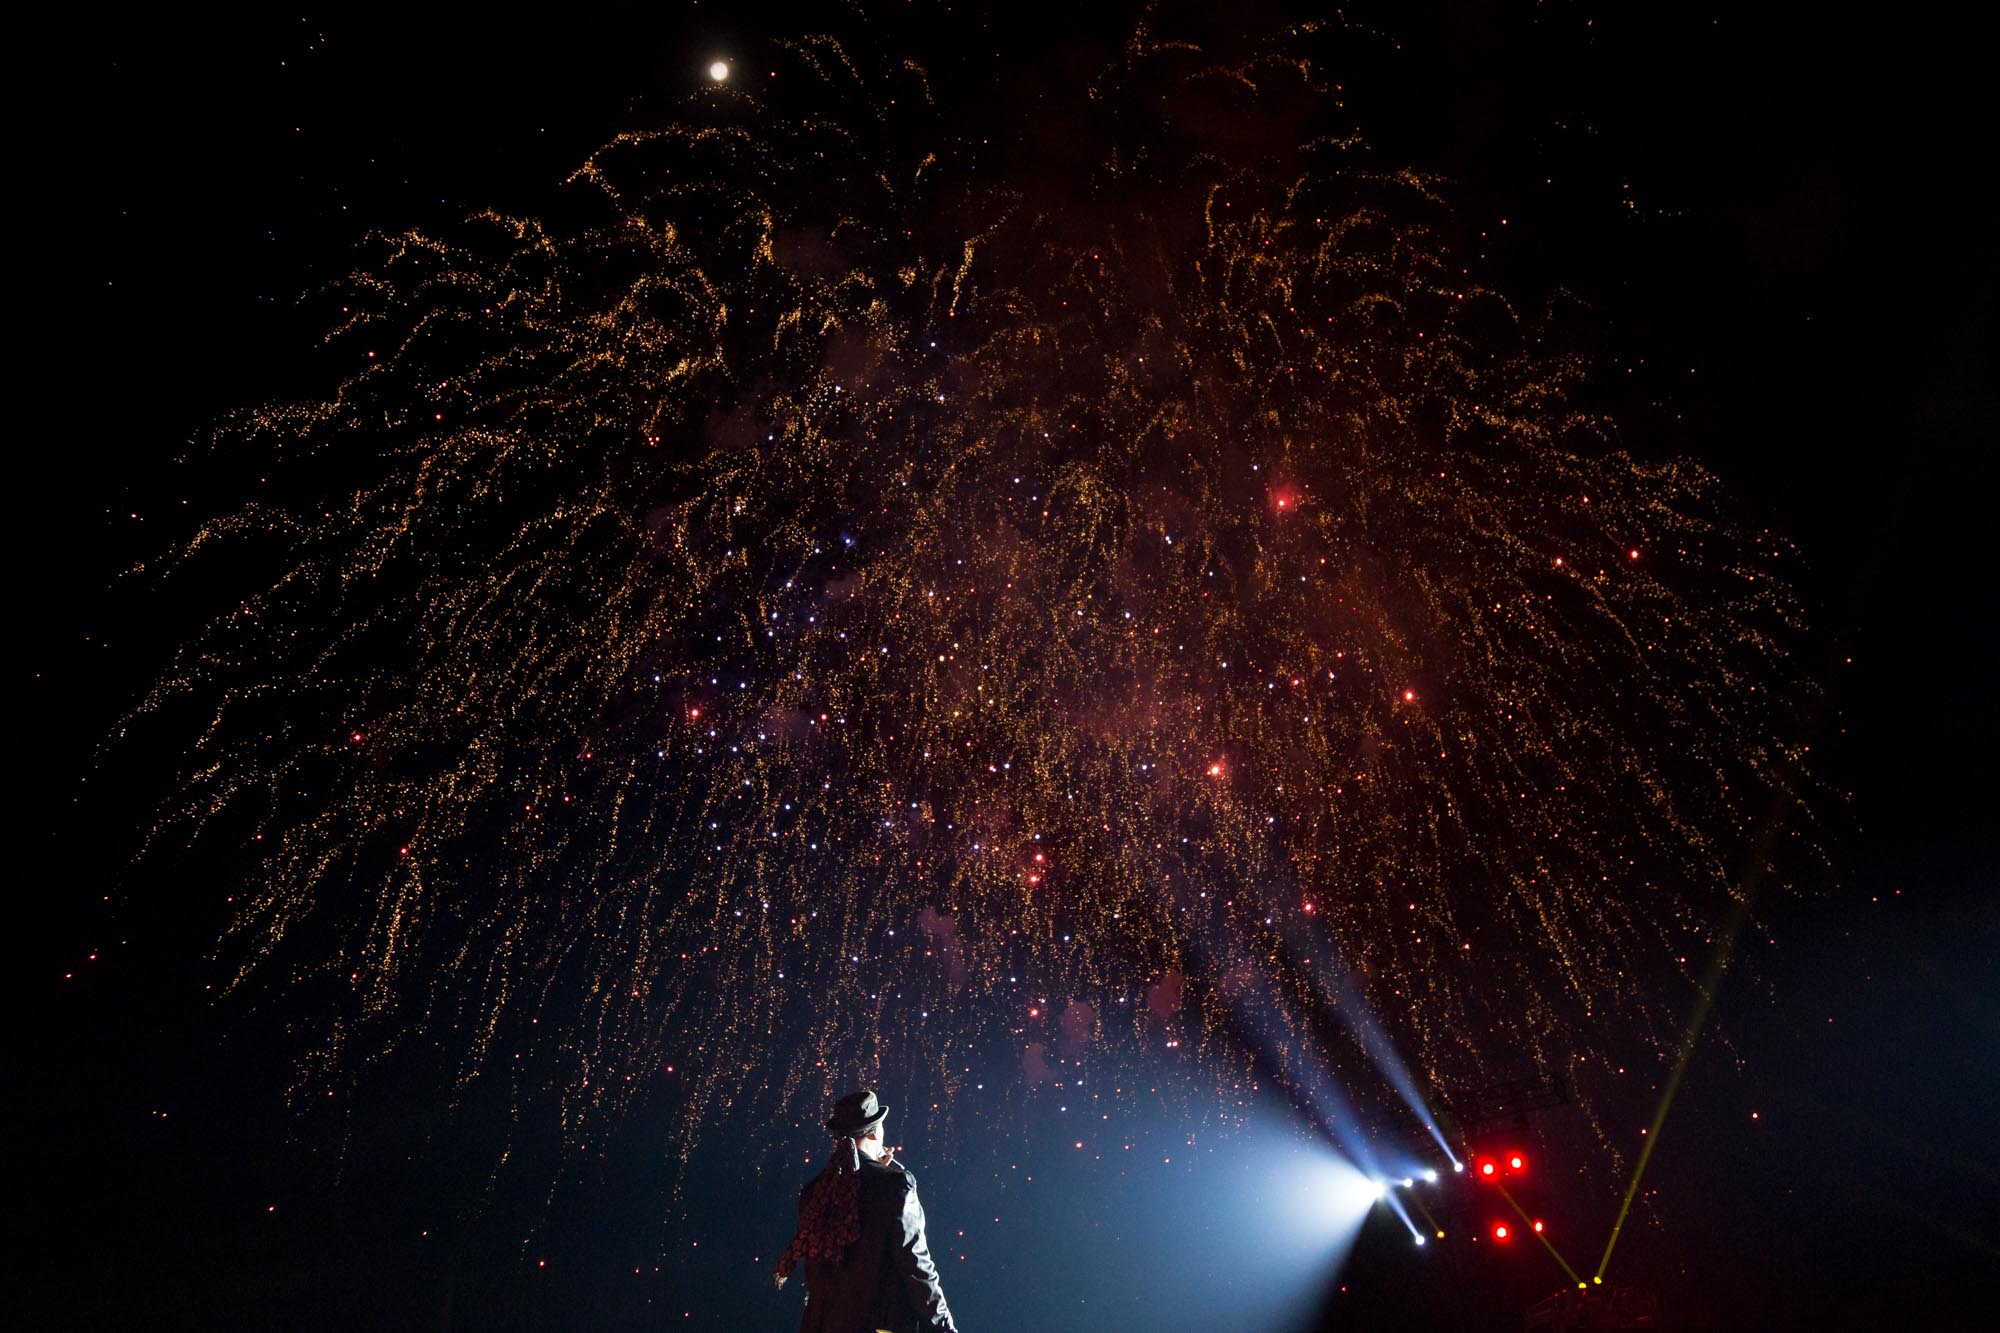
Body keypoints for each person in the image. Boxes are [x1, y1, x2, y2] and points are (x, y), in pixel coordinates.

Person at [773, 1089, 960, 1333]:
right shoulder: (895, 1185)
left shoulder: (814, 1192)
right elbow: (917, 1268)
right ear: (873, 1132)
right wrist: (945, 1328)